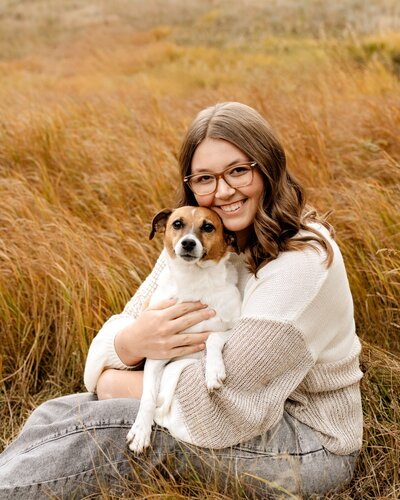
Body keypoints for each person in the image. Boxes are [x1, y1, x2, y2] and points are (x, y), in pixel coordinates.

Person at [0, 102, 363, 498]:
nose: (222, 191)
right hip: (239, 412)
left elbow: (215, 403)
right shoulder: (195, 239)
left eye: (239, 170)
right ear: (190, 185)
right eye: (205, 178)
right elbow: (112, 340)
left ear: (269, 168)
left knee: (97, 433)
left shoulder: (302, 263)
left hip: (307, 444)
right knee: (54, 414)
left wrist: (112, 382)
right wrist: (131, 343)